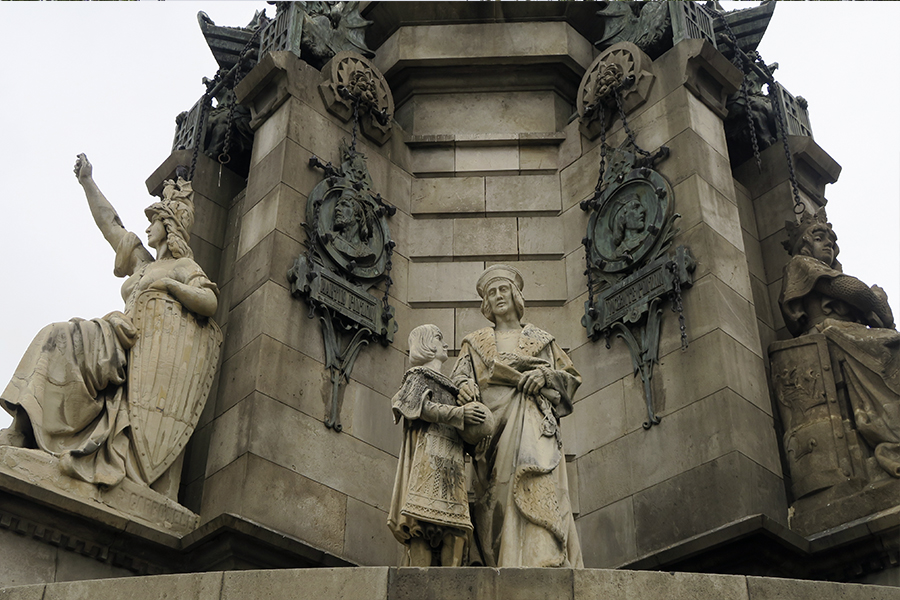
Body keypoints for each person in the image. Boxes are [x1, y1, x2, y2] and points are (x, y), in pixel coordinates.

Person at [0, 154, 218, 490]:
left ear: (169, 225)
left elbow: (209, 301)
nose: (147, 227)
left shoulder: (182, 267)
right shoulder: (142, 261)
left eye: (154, 220)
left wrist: (170, 286)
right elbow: (111, 225)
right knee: (55, 336)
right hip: (114, 336)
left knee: (61, 335)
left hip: (133, 348)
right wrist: (88, 182)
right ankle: (24, 429)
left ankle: (27, 430)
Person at [451, 264, 583, 568]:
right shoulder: (474, 343)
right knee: (498, 498)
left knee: (536, 474)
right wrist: (465, 387)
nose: (498, 296)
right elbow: (458, 380)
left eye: (503, 289)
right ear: (486, 303)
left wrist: (545, 376)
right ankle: (504, 559)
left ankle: (542, 556)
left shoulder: (542, 340)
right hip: (492, 434)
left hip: (535, 424)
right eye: (491, 292)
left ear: (515, 295)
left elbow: (571, 379)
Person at [779, 208, 899, 476]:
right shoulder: (801, 264)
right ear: (805, 245)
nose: (828, 244)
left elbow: (879, 313)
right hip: (830, 332)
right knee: (892, 348)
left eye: (831, 240)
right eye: (819, 238)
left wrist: (875, 304)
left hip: (847, 331)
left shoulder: (827, 270)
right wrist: (876, 299)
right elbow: (855, 292)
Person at [387, 324, 488, 566]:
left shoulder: (453, 388)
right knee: (421, 525)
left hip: (452, 465)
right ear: (425, 344)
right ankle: (419, 580)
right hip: (427, 460)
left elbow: (463, 431)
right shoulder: (417, 375)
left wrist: (477, 435)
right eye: (438, 337)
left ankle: (451, 580)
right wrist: (460, 414)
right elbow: (418, 407)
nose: (445, 344)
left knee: (456, 529)